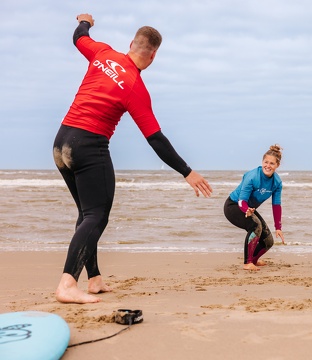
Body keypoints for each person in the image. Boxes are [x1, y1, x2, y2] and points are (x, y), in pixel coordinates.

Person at [53, 14, 212, 304]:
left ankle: (95, 279)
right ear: (153, 55)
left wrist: (86, 21)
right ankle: (67, 284)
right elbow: (155, 138)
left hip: (62, 142)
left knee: (87, 214)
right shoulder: (135, 87)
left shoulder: (102, 52)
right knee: (96, 216)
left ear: (130, 44)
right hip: (89, 145)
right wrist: (187, 172)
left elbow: (78, 37)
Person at [224, 145, 285, 271]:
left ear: (277, 165)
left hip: (249, 209)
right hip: (234, 206)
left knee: (268, 240)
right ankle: (248, 262)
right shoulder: (252, 176)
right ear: (262, 162)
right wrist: (246, 209)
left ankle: (254, 260)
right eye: (266, 162)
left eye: (272, 163)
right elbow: (242, 200)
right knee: (255, 226)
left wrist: (278, 227)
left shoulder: (277, 182)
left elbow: (276, 205)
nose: (268, 166)